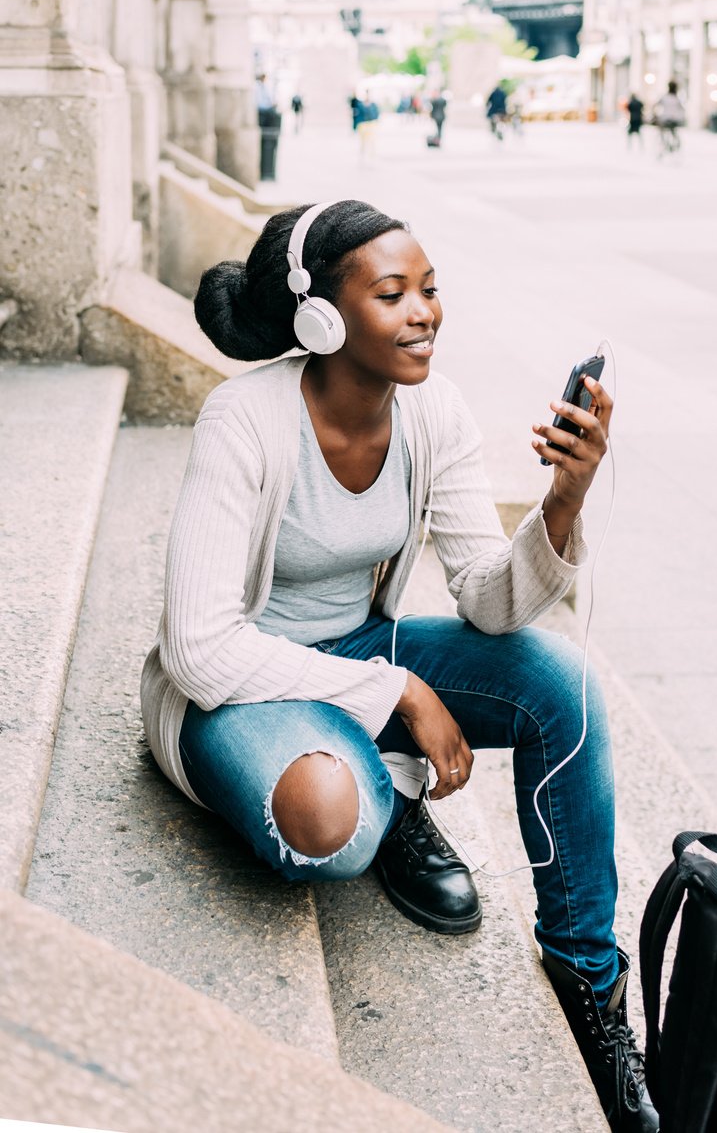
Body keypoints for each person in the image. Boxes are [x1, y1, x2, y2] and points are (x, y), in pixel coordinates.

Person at [139, 200, 658, 1133]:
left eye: (429, 289)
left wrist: (562, 504)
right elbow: (199, 647)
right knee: (330, 825)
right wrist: (398, 691)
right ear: (321, 320)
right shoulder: (242, 420)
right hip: (244, 690)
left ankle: (589, 979)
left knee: (564, 688)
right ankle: (384, 788)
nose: (423, 311)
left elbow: (489, 603)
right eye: (392, 294)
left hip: (357, 654)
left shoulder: (434, 409)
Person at [254, 74, 281, 181]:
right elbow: (260, 104)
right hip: (263, 115)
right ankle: (265, 172)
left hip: (267, 116)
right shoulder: (257, 87)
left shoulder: (263, 87)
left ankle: (267, 172)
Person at [652, 80, 685, 157]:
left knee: (661, 131)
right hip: (675, 120)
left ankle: (663, 144)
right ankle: (675, 144)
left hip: (665, 119)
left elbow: (655, 105)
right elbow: (682, 109)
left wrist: (655, 115)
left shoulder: (664, 97)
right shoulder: (677, 98)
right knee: (673, 132)